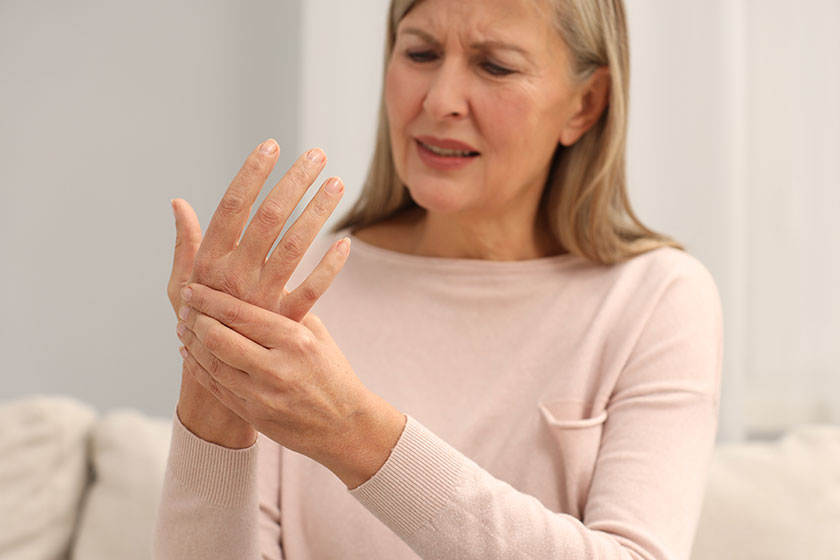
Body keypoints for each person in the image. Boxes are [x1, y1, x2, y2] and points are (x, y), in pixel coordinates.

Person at [154, 0, 722, 558]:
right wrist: (212, 387)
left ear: (586, 104)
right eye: (421, 52)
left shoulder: (656, 299)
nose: (440, 100)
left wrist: (352, 430)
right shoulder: (294, 284)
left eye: (494, 65)